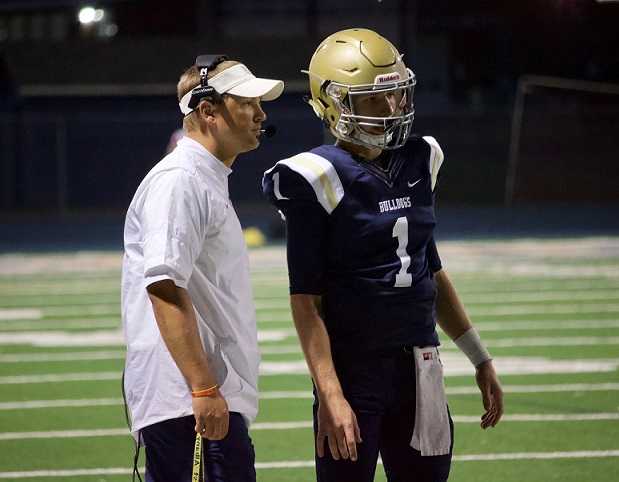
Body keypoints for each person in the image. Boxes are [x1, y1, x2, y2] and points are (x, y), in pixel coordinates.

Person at [263, 29, 503, 482]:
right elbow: (306, 302)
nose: (393, 108)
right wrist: (330, 393)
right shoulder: (315, 176)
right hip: (354, 371)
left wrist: (479, 356)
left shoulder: (422, 158)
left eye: (396, 94)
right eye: (376, 98)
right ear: (332, 103)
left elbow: (429, 270)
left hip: (422, 366)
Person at [122, 55, 283, 482]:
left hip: (199, 401)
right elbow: (164, 285)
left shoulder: (205, 178)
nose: (261, 112)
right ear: (208, 110)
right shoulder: (180, 180)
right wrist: (203, 387)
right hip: (188, 406)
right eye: (247, 100)